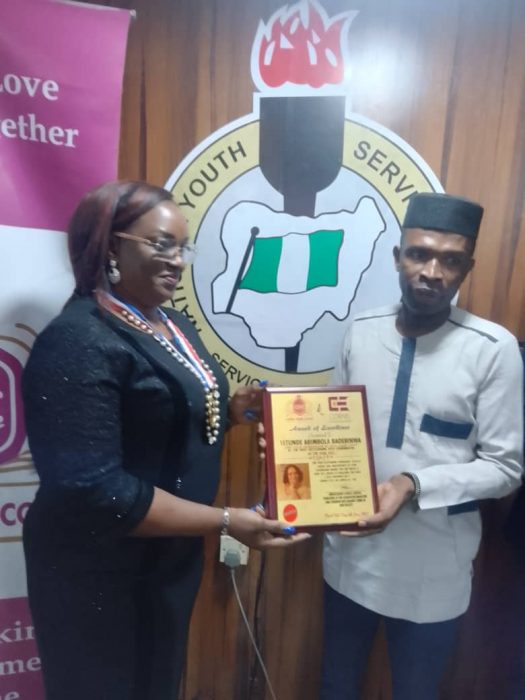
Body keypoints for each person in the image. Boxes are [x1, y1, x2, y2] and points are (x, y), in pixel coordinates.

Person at [22, 181, 308, 700]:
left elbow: (157, 412)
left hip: (165, 561)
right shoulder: (77, 340)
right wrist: (227, 521)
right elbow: (94, 490)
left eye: (183, 247)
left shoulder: (170, 323)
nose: (177, 260)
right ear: (111, 245)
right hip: (97, 571)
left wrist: (233, 410)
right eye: (161, 244)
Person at [321, 192, 523, 699]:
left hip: (434, 572)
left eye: (451, 261)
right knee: (335, 687)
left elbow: (505, 468)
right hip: (350, 559)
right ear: (398, 257)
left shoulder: (492, 349)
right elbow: (328, 433)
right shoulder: (361, 331)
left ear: (467, 269)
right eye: (419, 254)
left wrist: (413, 483)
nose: (432, 272)